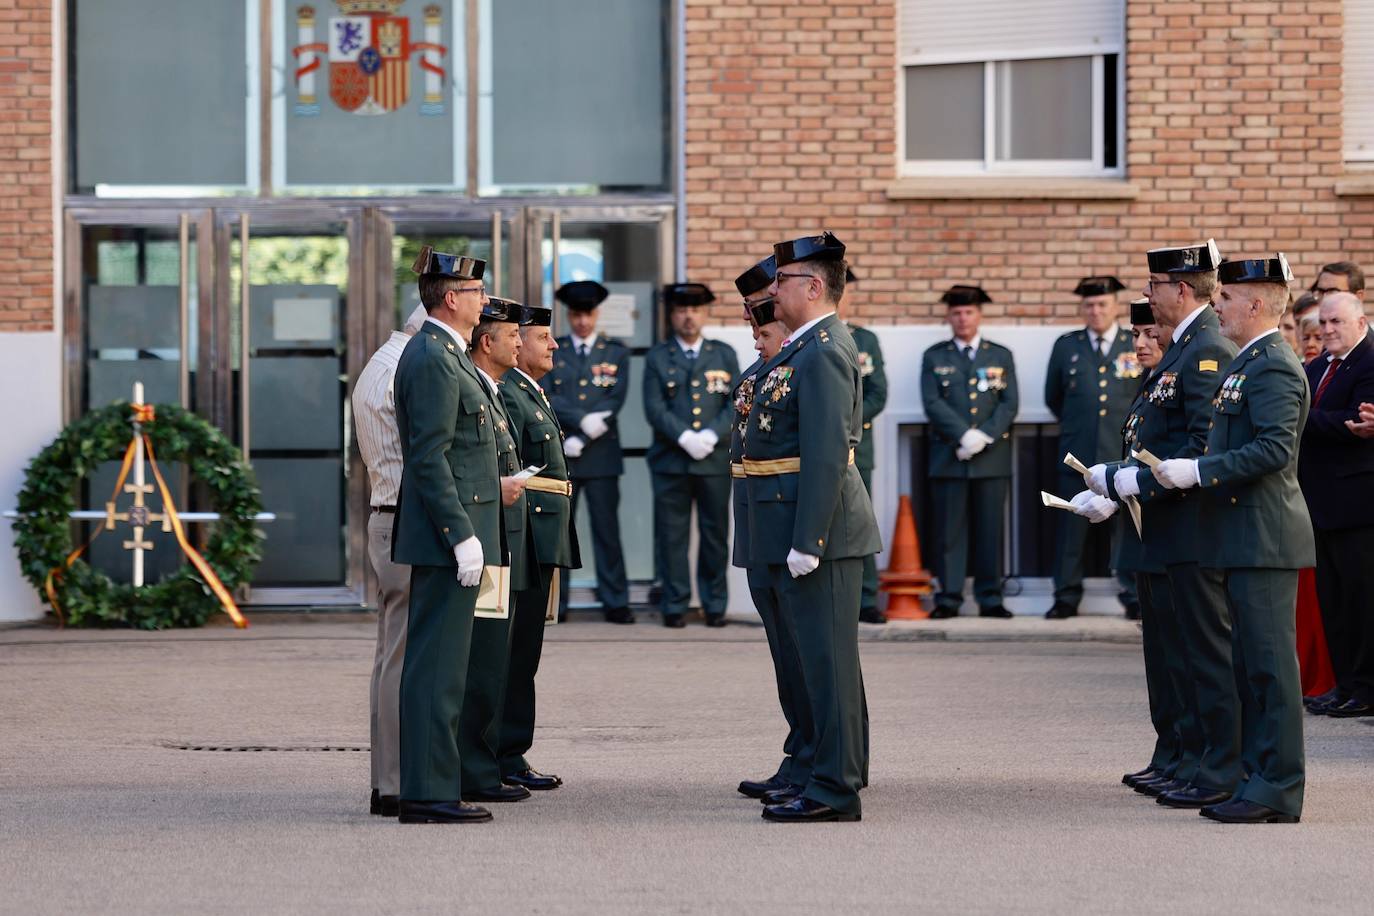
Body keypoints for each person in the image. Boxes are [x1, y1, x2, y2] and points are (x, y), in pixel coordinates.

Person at [1144, 253, 1312, 824]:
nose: (1218, 306)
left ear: (1255, 304)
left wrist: (1200, 471)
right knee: (1250, 668)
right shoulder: (1249, 362)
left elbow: (1273, 450)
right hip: (1240, 536)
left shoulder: (1276, 365)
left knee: (1270, 671)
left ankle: (1278, 788)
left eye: (1226, 300)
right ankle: (1255, 777)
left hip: (1264, 536)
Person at [1085, 239, 1240, 811]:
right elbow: (1154, 439)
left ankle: (1214, 766)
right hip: (1161, 529)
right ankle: (1179, 755)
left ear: (1179, 289)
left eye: (1154, 286)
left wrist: (1136, 483)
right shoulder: (1181, 350)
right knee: (1170, 655)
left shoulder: (1205, 351)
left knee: (1202, 654)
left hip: (1190, 529)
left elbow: (1200, 447)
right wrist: (1117, 483)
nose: (1147, 296)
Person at [744, 231, 881, 822]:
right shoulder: (806, 347)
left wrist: (809, 541)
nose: (774, 291)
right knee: (815, 663)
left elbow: (827, 452)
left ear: (814, 286)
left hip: (822, 533)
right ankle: (820, 771)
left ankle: (835, 788)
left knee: (827, 665)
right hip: (799, 524)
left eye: (783, 281)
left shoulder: (825, 349)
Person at [390, 246, 524, 825]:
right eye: (477, 294)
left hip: (462, 535)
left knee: (449, 670)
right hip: (450, 541)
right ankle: (426, 791)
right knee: (436, 669)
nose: (484, 303)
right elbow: (429, 455)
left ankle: (436, 784)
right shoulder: (433, 357)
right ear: (452, 299)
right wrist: (460, 535)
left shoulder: (449, 355)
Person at [1107, 299, 1199, 797]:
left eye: (1149, 333)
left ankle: (1188, 755)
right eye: (1135, 335)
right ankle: (1170, 751)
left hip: (1173, 527)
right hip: (1148, 527)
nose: (1140, 343)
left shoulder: (1183, 371)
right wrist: (1110, 486)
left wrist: (1124, 483)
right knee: (1159, 655)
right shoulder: (1155, 379)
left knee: (1181, 655)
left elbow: (1184, 452)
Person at [730, 257, 815, 803]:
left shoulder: (805, 358)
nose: (753, 324)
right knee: (786, 656)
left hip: (788, 526)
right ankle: (800, 751)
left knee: (806, 656)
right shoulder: (766, 364)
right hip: (760, 524)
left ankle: (814, 759)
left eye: (759, 312)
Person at [455, 296, 535, 805]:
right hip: (482, 537)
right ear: (488, 342)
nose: (520, 343)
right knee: (482, 663)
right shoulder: (480, 388)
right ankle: (475, 769)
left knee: (494, 658)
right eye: (512, 336)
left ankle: (483, 766)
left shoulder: (493, 390)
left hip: (498, 536)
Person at [498, 301, 579, 792]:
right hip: (522, 530)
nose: (552, 345)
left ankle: (512, 750)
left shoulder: (529, 389)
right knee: (511, 651)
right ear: (517, 341)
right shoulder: (508, 390)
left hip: (542, 529)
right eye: (542, 337)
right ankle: (502, 751)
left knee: (525, 650)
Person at [352, 303, 429, 818]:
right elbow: (424, 451)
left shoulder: (384, 361)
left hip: (392, 514)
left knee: (392, 654)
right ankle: (397, 781)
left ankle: (390, 779)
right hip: (405, 518)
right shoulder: (402, 369)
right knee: (404, 657)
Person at [1044, 276, 1142, 620]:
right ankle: (1066, 596)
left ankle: (1132, 594)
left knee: (1125, 529)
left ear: (1115, 306)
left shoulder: (1134, 343)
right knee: (1071, 528)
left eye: (1102, 304)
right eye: (1089, 305)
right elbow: (1053, 398)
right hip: (1077, 455)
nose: (1095, 311)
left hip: (1119, 453)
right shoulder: (1066, 345)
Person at [643, 283, 740, 628]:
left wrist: (713, 433)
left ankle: (715, 604)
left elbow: (736, 403)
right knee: (671, 537)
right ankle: (674, 604)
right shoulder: (657, 356)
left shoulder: (724, 354)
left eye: (696, 309)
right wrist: (684, 435)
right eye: (682, 310)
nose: (689, 316)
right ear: (672, 315)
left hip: (713, 461)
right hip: (671, 461)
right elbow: (653, 407)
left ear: (705, 313)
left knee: (715, 535)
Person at [920, 285, 1019, 619]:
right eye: (957, 313)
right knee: (950, 534)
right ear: (949, 317)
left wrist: (984, 436)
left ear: (979, 315)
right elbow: (931, 402)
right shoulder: (935, 356)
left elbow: (1009, 402)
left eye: (969, 312)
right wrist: (963, 436)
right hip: (949, 457)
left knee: (990, 531)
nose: (963, 318)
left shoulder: (1000, 355)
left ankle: (990, 598)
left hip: (991, 459)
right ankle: (949, 598)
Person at [1298, 292, 1374, 717]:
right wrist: (1328, 422)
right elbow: (1337, 421)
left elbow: (1353, 425)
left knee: (1362, 602)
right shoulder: (1316, 368)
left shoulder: (1369, 363)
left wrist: (1305, 419)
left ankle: (1365, 687)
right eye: (1323, 323)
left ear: (1360, 323)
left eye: (1335, 322)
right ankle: (1344, 683)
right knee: (1335, 601)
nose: (1326, 330)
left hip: (1358, 506)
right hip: (1321, 505)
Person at [549, 280, 633, 624]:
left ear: (597, 314)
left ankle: (616, 601)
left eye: (588, 314)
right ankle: (560, 603)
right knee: (561, 534)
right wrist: (582, 422)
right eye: (576, 315)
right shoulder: (556, 349)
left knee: (606, 532)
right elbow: (548, 394)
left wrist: (585, 434)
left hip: (601, 456)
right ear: (569, 316)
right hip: (564, 452)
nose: (582, 321)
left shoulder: (616, 352)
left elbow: (616, 397)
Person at [839, 268, 889, 624]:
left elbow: (877, 393)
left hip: (856, 448)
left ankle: (866, 597)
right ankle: (834, 598)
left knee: (859, 523)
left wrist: (845, 425)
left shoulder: (864, 340)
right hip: (812, 447)